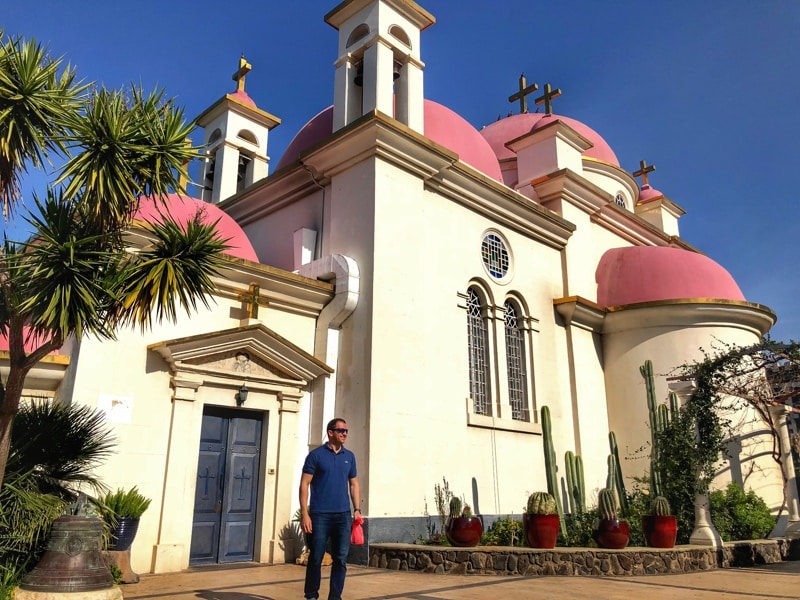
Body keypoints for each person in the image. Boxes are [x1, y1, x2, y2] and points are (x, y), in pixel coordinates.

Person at [299, 418, 361, 600]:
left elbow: (354, 484)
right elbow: (304, 484)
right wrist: (305, 514)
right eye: (341, 430)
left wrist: (357, 509)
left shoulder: (349, 456)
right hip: (320, 516)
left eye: (346, 431)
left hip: (343, 516)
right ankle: (311, 595)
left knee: (341, 559)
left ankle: (335, 597)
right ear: (330, 432)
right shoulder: (316, 456)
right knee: (316, 557)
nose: (344, 434)